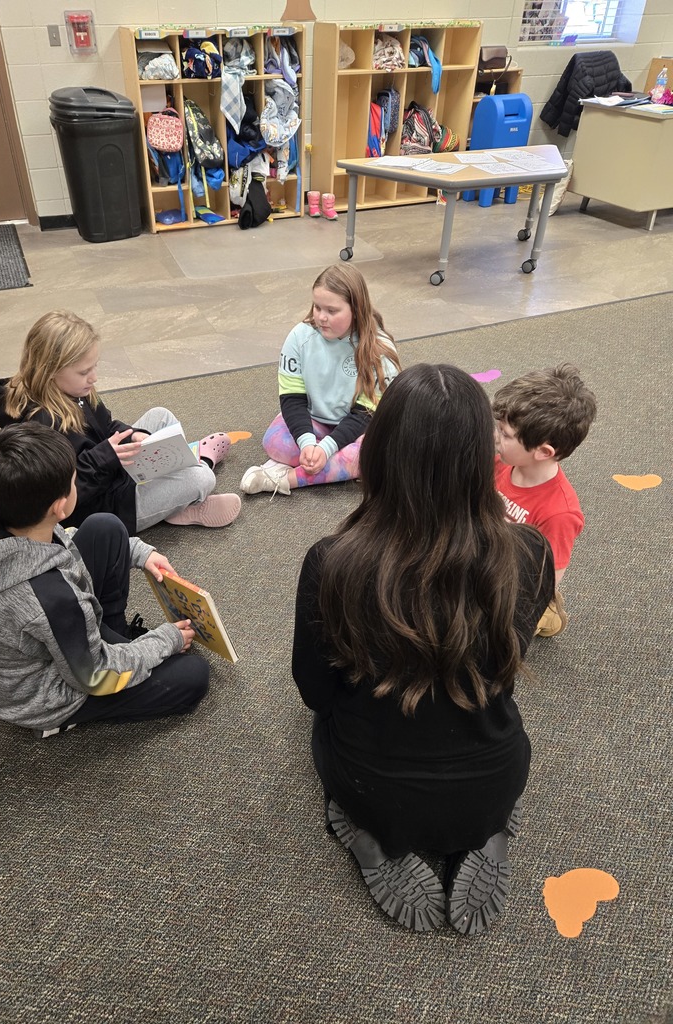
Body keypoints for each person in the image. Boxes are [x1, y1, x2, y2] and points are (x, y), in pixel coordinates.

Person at [292, 364, 554, 936]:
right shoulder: (531, 552)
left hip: (369, 779)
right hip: (496, 773)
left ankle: (369, 832)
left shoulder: (332, 560)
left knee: (320, 730)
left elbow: (315, 691)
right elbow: (503, 668)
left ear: (380, 452)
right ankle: (486, 827)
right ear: (479, 458)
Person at [0, 422, 210, 738]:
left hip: (58, 637)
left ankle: (116, 635)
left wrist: (138, 552)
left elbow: (67, 538)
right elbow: (97, 676)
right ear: (60, 505)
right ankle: (60, 718)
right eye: (74, 481)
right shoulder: (51, 597)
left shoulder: (6, 519)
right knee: (193, 676)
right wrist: (166, 641)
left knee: (105, 527)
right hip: (43, 696)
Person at [0, 310, 241, 531]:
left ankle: (175, 494)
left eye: (94, 366)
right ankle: (199, 467)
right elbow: (64, 496)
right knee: (202, 480)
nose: (94, 377)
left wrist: (133, 435)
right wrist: (106, 456)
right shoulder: (38, 426)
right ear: (50, 371)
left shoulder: (74, 391)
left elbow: (107, 427)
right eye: (85, 372)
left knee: (161, 416)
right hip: (100, 506)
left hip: (112, 470)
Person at [240, 264, 401, 497]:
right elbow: (292, 399)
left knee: (378, 453)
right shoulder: (299, 337)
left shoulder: (380, 349)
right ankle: (336, 466)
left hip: (361, 429)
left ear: (356, 309)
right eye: (317, 307)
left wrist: (326, 448)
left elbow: (365, 415)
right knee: (275, 442)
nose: (321, 317)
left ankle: (285, 479)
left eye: (332, 311)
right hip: (315, 422)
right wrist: (306, 442)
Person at [492, 363, 597, 637]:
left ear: (543, 451)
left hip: (519, 582)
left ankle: (551, 614)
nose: (496, 437)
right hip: (490, 556)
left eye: (505, 435)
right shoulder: (500, 464)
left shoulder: (560, 513)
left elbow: (546, 579)